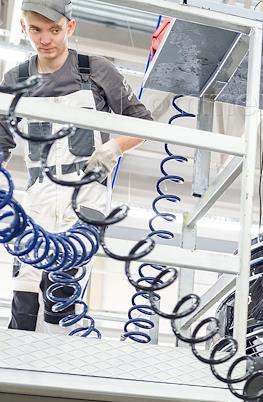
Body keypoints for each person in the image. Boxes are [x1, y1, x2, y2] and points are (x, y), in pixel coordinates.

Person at [1, 0, 151, 332]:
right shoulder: (16, 78)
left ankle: (63, 351)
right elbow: (2, 143)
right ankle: (19, 356)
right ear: (24, 27)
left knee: (62, 288)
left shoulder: (95, 70)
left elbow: (143, 124)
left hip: (86, 194)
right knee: (25, 289)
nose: (45, 40)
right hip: (38, 196)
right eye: (36, 30)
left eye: (54, 30)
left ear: (70, 27)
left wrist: (113, 148)